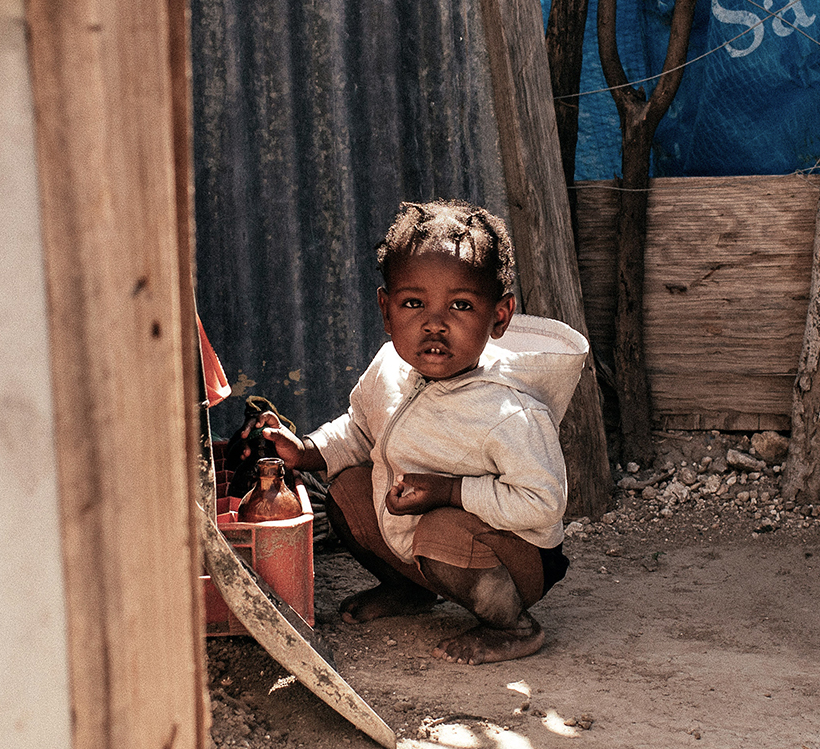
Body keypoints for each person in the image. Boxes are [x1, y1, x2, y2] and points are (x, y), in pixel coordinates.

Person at [250, 200, 588, 664]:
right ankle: (410, 589)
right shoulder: (388, 368)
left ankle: (514, 627)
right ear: (386, 310)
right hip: (417, 541)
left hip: (514, 561)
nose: (434, 323)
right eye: (413, 303)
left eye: (461, 306)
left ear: (499, 316)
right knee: (346, 491)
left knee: (440, 531)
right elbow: (360, 431)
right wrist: (306, 450)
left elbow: (543, 502)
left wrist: (450, 491)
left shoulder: (509, 411)